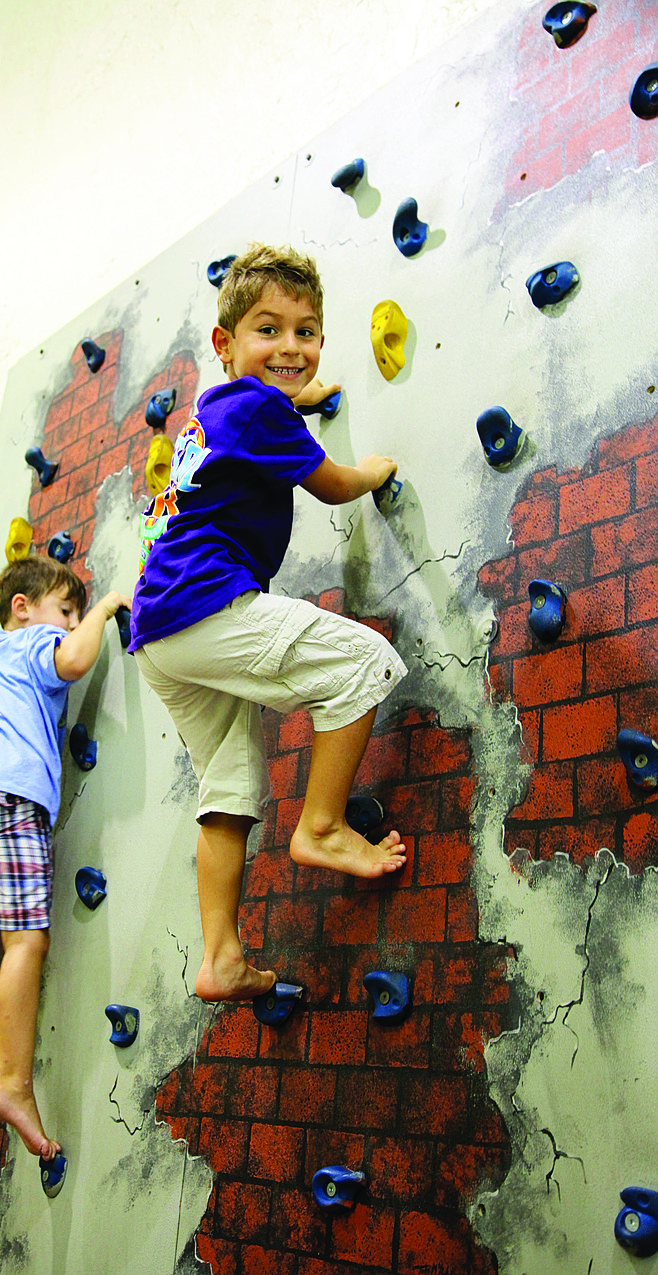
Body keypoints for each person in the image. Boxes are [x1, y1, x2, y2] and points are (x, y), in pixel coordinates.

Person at [129, 243, 409, 1004]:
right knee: (362, 664)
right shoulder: (257, 409)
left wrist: (303, 392)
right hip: (206, 605)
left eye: (307, 331)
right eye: (268, 330)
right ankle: (319, 826)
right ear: (225, 346)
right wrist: (376, 471)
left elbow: (277, 402)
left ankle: (219, 955)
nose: (291, 346)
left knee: (228, 786)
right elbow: (331, 484)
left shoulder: (221, 410)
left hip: (159, 635)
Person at [0, 555, 130, 1161]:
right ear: (24, 608)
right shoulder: (38, 641)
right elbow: (75, 660)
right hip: (9, 793)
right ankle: (11, 1083)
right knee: (25, 942)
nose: (70, 622)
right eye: (65, 609)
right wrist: (106, 607)